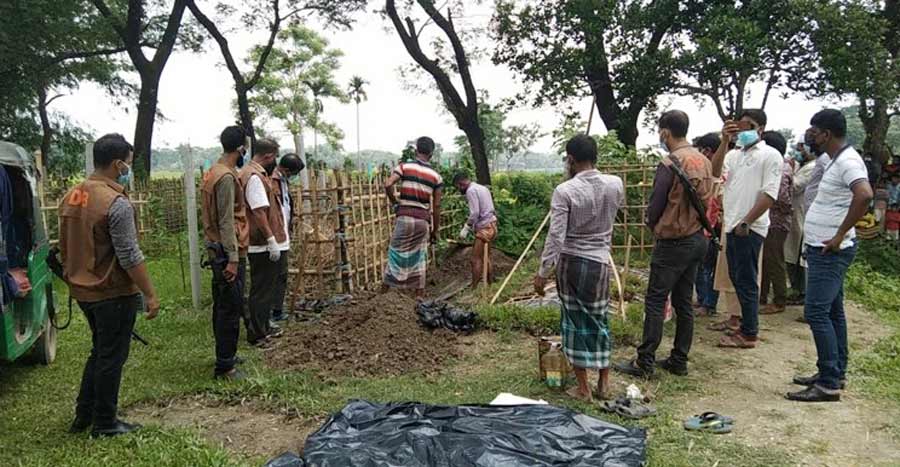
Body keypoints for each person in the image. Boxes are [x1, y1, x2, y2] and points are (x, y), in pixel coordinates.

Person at [59, 134, 160, 437]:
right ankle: (105, 422)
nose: (128, 170)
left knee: (100, 351)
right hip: (110, 291)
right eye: (127, 164)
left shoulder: (72, 195)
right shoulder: (115, 202)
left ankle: (85, 414)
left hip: (82, 289)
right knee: (111, 357)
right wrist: (150, 294)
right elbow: (129, 254)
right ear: (118, 164)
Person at [615, 111, 711, 378]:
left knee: (656, 300)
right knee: (684, 301)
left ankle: (644, 361)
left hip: (673, 241)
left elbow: (656, 203)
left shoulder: (670, 163)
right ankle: (679, 359)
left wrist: (653, 224)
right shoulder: (703, 160)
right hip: (697, 237)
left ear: (665, 132)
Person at [787, 109, 873, 402]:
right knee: (833, 311)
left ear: (826, 134)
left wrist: (839, 234)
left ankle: (828, 383)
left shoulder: (848, 161)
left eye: (814, 132)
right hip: (823, 248)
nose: (810, 137)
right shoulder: (835, 159)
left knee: (816, 312)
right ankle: (835, 371)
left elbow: (864, 194)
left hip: (830, 250)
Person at [533, 134, 624, 402]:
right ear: (595, 156)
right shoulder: (615, 184)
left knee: (573, 322)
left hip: (572, 262)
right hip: (599, 262)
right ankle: (604, 383)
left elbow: (556, 236)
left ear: (570, 159)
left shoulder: (565, 191)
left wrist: (542, 272)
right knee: (599, 318)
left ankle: (584, 388)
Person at [710, 109, 783, 349]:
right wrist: (724, 141)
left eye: (749, 126)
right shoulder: (733, 155)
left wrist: (747, 222)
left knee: (747, 281)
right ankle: (744, 327)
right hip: (732, 225)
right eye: (740, 126)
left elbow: (769, 194)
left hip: (749, 227)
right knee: (737, 279)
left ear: (761, 129)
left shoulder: (770, 155)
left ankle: (750, 333)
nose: (743, 130)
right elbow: (714, 172)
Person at [200, 126, 250, 380]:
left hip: (215, 247)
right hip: (226, 250)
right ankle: (225, 366)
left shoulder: (213, 171)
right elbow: (226, 221)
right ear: (241, 148)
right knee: (230, 307)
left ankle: (226, 354)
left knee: (223, 304)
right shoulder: (227, 177)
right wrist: (232, 257)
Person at [239, 138, 287, 348]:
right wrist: (271, 239)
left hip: (262, 241)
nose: (275, 161)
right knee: (261, 290)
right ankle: (257, 334)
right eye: (274, 156)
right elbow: (258, 212)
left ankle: (263, 327)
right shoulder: (255, 177)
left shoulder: (252, 173)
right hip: (260, 243)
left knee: (265, 288)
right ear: (268, 156)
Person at [383, 136, 443, 299]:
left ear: (416, 151)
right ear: (431, 154)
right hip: (422, 221)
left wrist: (395, 203)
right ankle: (419, 298)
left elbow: (388, 184)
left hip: (405, 217)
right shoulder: (436, 177)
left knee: (395, 253)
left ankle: (383, 295)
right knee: (419, 257)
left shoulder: (404, 167)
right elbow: (437, 205)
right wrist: (435, 230)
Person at [759, 131, 793, 315]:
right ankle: (762, 295)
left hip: (776, 222)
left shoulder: (780, 168)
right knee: (766, 259)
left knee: (774, 259)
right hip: (771, 220)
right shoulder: (778, 165)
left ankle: (779, 300)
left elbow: (781, 197)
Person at [269, 153, 304, 322]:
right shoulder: (271, 180)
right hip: (273, 235)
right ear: (286, 169)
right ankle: (269, 312)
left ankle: (277, 310)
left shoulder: (283, 182)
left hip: (283, 233)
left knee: (282, 274)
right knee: (272, 275)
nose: (294, 176)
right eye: (294, 173)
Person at [784, 135, 819, 304]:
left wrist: (789, 172)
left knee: (800, 256)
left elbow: (796, 186)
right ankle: (797, 289)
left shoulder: (813, 167)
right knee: (792, 254)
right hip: (796, 214)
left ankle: (803, 292)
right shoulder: (803, 166)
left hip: (802, 215)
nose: (798, 151)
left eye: (801, 147)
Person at [692, 132, 722, 316]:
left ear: (708, 151)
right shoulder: (706, 172)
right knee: (701, 266)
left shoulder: (719, 172)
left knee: (709, 268)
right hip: (703, 225)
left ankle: (709, 304)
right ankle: (702, 299)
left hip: (713, 227)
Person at [453, 173, 498, 288]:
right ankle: (490, 285)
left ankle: (474, 288)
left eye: (458, 187)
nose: (459, 190)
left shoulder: (471, 191)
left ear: (461, 184)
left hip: (484, 229)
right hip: (492, 225)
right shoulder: (482, 188)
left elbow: (475, 213)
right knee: (486, 257)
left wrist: (466, 228)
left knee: (475, 259)